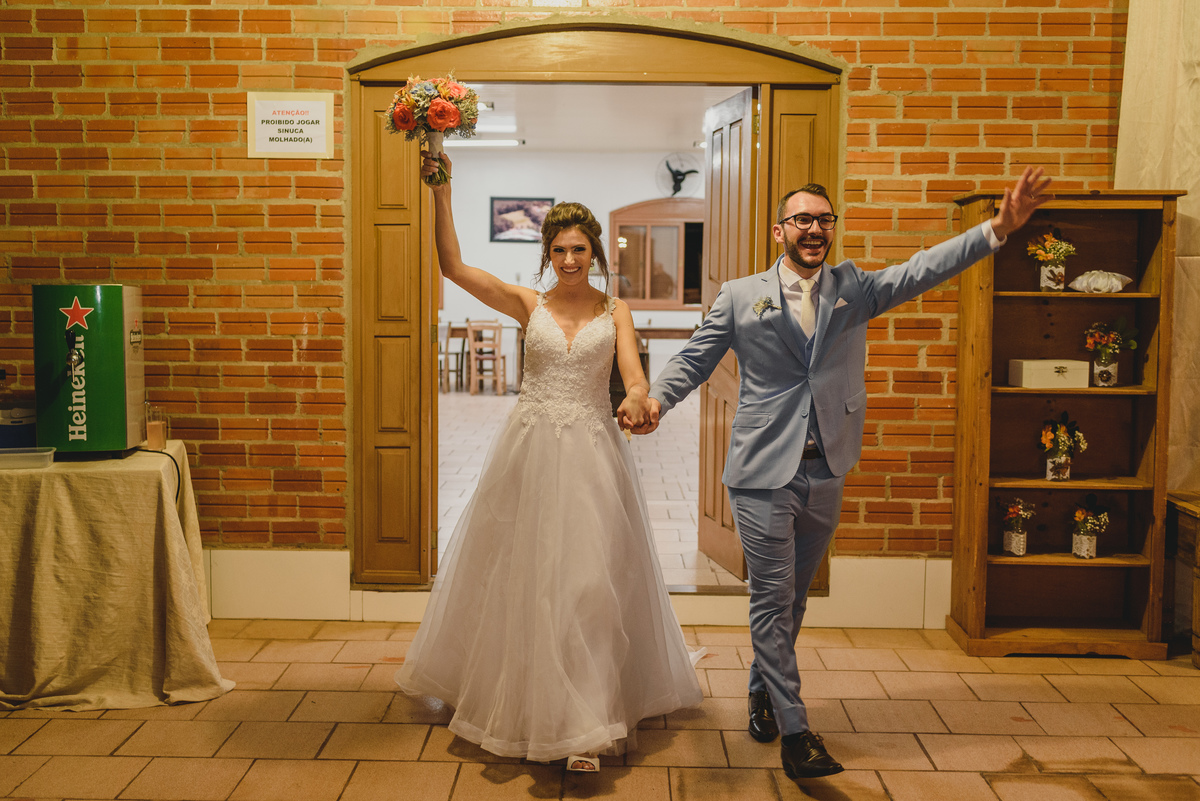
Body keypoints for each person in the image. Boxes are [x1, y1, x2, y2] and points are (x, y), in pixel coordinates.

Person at [635, 166, 1053, 779]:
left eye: (824, 220)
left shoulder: (854, 287)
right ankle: (797, 733)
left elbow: (922, 269)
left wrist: (996, 229)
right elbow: (696, 359)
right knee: (772, 598)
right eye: (802, 219)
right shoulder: (741, 295)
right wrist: (655, 399)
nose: (814, 229)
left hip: (826, 468)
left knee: (793, 599)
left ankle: (761, 689)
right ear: (780, 230)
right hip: (761, 471)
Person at [395, 151, 703, 773]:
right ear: (546, 254)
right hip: (529, 452)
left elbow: (633, 375)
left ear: (595, 254)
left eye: (579, 250)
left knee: (587, 581)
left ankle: (584, 726)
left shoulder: (615, 310)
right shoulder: (525, 304)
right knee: (525, 577)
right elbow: (452, 266)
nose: (568, 260)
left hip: (592, 454)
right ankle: (517, 696)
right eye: (559, 250)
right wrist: (441, 191)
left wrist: (637, 399)